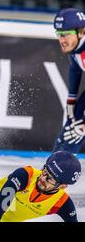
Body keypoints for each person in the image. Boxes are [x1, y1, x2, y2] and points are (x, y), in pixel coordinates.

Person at [52, 8, 85, 153]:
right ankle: (50, 171)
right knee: (67, 134)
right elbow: (75, 68)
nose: (61, 40)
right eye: (59, 34)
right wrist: (71, 98)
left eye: (65, 35)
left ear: (81, 32)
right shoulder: (76, 46)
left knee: (76, 133)